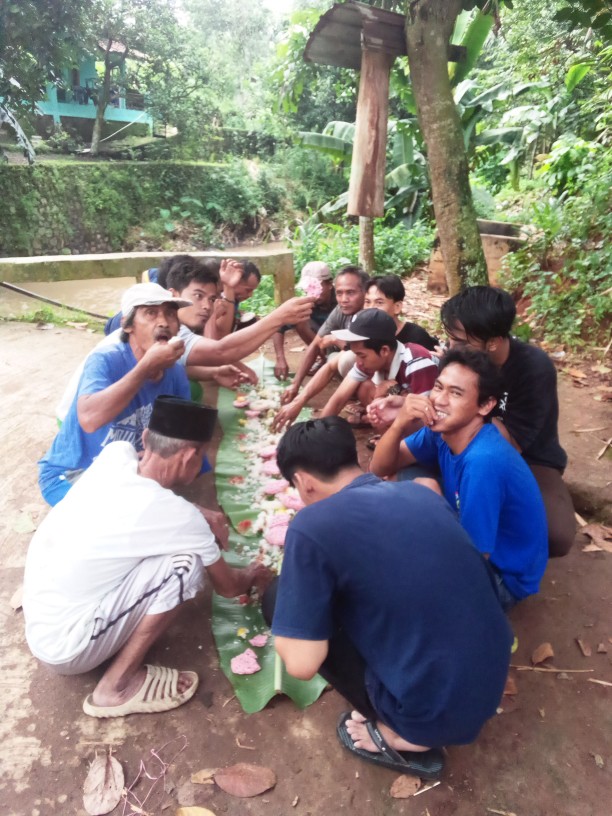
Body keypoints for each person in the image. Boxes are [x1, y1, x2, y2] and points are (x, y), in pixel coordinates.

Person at [265, 417, 513, 777]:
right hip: (490, 679)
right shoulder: (420, 492)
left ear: (303, 482)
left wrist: (296, 605)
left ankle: (403, 732)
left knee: (277, 599)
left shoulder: (310, 525)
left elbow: (302, 665)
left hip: (434, 714)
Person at [24, 397, 271, 718]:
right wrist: (253, 573)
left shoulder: (116, 455)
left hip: (43, 617)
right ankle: (114, 687)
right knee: (185, 566)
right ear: (190, 456)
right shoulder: (179, 517)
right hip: (67, 647)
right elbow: (228, 588)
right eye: (202, 455)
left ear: (145, 438)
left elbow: (141, 499)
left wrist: (199, 512)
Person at [371, 347, 548, 610]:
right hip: (478, 545)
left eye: (455, 393)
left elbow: (474, 558)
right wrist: (399, 424)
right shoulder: (441, 430)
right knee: (405, 478)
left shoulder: (483, 460)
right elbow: (380, 468)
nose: (439, 400)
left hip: (502, 578)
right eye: (438, 387)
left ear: (485, 405)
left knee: (397, 584)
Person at [440, 285, 575, 558]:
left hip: (530, 458)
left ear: (493, 342)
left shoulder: (533, 368)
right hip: (466, 443)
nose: (451, 348)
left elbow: (512, 445)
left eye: (461, 341)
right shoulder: (460, 358)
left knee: (557, 536)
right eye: (450, 339)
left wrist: (467, 410)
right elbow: (441, 403)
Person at [40, 283, 192, 507]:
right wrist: (145, 367)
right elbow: (90, 419)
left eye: (170, 314)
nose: (163, 322)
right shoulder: (105, 360)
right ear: (127, 325)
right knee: (132, 517)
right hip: (76, 474)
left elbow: (184, 436)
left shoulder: (175, 373)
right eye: (151, 313)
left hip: (131, 472)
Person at [280, 309, 437, 432]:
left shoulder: (416, 363)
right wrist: (318, 433)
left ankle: (396, 443)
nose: (358, 361)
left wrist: (392, 393)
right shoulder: (367, 359)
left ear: (384, 350)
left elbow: (425, 415)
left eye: (362, 355)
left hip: (430, 414)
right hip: (406, 397)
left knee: (389, 407)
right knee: (368, 391)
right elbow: (339, 398)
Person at [272, 267, 368, 430]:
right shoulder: (340, 309)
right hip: (352, 360)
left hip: (389, 383)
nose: (344, 299)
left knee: (348, 359)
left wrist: (339, 342)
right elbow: (317, 345)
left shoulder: (372, 317)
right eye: (340, 293)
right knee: (337, 360)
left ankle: (367, 404)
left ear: (365, 292)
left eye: (350, 293)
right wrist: (296, 387)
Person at [272, 261, 337, 381]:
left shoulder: (342, 299)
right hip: (321, 344)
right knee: (301, 321)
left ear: (329, 284)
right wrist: (280, 358)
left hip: (342, 345)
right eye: (308, 288)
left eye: (316, 287)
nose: (311, 292)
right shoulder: (306, 303)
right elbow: (278, 326)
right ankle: (323, 358)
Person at [206, 260, 262, 338]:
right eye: (248, 290)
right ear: (236, 280)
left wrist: (238, 314)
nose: (250, 295)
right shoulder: (217, 300)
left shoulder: (234, 299)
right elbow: (220, 334)